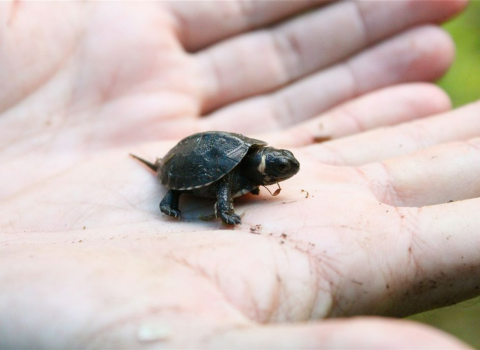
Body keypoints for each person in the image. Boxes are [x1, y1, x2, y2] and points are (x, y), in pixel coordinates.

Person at [0, 1, 477, 348]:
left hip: (218, 152)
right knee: (174, 196)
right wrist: (220, 210)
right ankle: (170, 199)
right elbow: (221, 183)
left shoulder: (256, 158)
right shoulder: (232, 175)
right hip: (187, 163)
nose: (283, 172)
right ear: (262, 166)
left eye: (283, 166)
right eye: (279, 167)